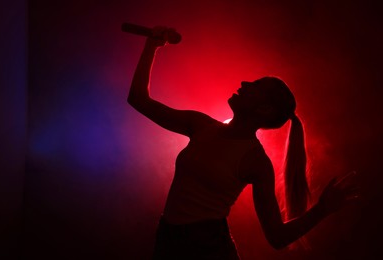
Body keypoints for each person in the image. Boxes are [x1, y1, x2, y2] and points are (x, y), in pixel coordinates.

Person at [127, 26, 359, 260]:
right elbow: (138, 100)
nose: (245, 83)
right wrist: (151, 46)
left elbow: (276, 237)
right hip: (169, 241)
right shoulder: (200, 125)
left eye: (256, 87)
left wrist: (323, 209)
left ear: (264, 109)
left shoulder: (256, 162)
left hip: (208, 250)